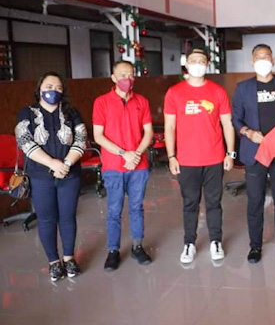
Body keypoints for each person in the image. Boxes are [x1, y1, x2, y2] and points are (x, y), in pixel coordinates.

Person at [164, 48, 235, 264]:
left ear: (207, 64)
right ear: (186, 64)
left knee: (214, 203)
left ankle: (215, 241)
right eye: (193, 60)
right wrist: (171, 156)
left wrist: (230, 153)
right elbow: (170, 127)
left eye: (201, 61)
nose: (197, 64)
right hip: (187, 160)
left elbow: (227, 124)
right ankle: (189, 243)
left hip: (214, 158)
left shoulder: (218, 91)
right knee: (190, 203)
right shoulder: (174, 92)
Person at [15, 72, 86, 281]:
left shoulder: (72, 113)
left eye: (58, 87)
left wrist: (65, 164)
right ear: (39, 89)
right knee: (46, 219)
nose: (53, 91)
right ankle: (54, 262)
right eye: (48, 86)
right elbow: (25, 141)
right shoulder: (26, 113)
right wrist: (52, 163)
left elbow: (81, 139)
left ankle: (69, 258)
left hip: (69, 174)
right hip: (39, 176)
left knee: (68, 217)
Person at [232, 44, 275, 264]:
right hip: (255, 151)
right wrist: (248, 132)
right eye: (258, 57)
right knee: (255, 201)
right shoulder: (243, 88)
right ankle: (255, 246)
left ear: (273, 60)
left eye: (266, 56)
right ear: (252, 62)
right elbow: (236, 119)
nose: (262, 60)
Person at [93, 61, 154, 271]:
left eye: (130, 74)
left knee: (137, 208)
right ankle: (113, 251)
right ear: (113, 78)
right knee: (114, 210)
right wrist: (123, 153)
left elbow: (148, 133)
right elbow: (98, 136)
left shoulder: (142, 101)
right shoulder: (101, 102)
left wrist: (135, 154)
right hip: (113, 166)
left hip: (139, 165)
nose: (127, 79)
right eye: (122, 75)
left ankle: (137, 246)